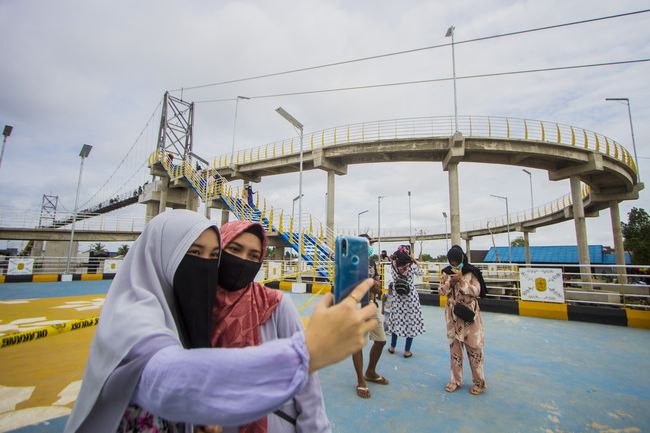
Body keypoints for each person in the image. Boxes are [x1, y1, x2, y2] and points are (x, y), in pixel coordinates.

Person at [64, 209, 378, 433]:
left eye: (212, 254)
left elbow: (309, 397)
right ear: (163, 255)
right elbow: (166, 379)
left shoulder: (264, 305)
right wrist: (309, 351)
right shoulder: (138, 316)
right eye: (194, 252)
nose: (238, 262)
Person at [209, 221, 330, 431]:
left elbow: (306, 379)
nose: (243, 260)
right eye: (235, 249)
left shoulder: (274, 304)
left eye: (254, 256)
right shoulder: (197, 304)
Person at [438, 245, 486, 395]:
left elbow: (478, 291)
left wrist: (463, 282)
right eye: (451, 262)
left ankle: (479, 382)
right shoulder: (446, 273)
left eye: (456, 262)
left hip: (469, 315)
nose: (454, 265)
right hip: (453, 316)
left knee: (475, 349)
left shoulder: (472, 272)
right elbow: (440, 291)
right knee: (455, 349)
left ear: (462, 259)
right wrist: (449, 283)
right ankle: (455, 380)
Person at [351, 234, 389, 399]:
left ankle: (370, 371)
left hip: (372, 306)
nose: (371, 247)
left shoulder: (373, 262)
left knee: (381, 340)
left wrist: (377, 288)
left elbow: (378, 285)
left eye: (371, 244)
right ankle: (360, 380)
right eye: (368, 244)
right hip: (357, 307)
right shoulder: (351, 262)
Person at [385, 247, 425, 358]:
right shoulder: (411, 266)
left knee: (395, 320)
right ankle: (407, 351)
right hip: (410, 297)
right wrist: (414, 260)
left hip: (397, 296)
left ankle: (392, 347)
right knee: (410, 322)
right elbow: (421, 272)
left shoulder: (393, 265)